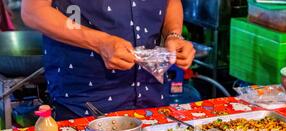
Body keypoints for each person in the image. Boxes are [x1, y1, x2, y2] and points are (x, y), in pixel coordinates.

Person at [21, 0, 195, 120]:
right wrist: (100, 42)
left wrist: (173, 34)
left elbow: (171, 2)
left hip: (153, 98)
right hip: (85, 103)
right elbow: (34, 11)